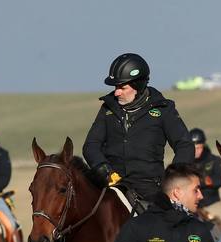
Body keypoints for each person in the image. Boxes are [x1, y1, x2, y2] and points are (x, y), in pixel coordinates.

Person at [83, 53, 195, 207]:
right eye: (116, 87)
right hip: (112, 185)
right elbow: (91, 145)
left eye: (122, 87)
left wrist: (174, 181)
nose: (116, 92)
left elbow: (185, 145)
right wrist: (104, 169)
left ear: (138, 85)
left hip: (150, 190)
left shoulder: (163, 109)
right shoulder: (107, 108)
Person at [189, 128, 221, 222]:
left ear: (203, 145)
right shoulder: (185, 162)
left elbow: (220, 180)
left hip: (213, 204)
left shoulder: (214, 160)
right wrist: (205, 181)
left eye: (199, 148)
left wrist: (199, 182)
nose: (196, 151)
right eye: (193, 148)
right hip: (192, 207)